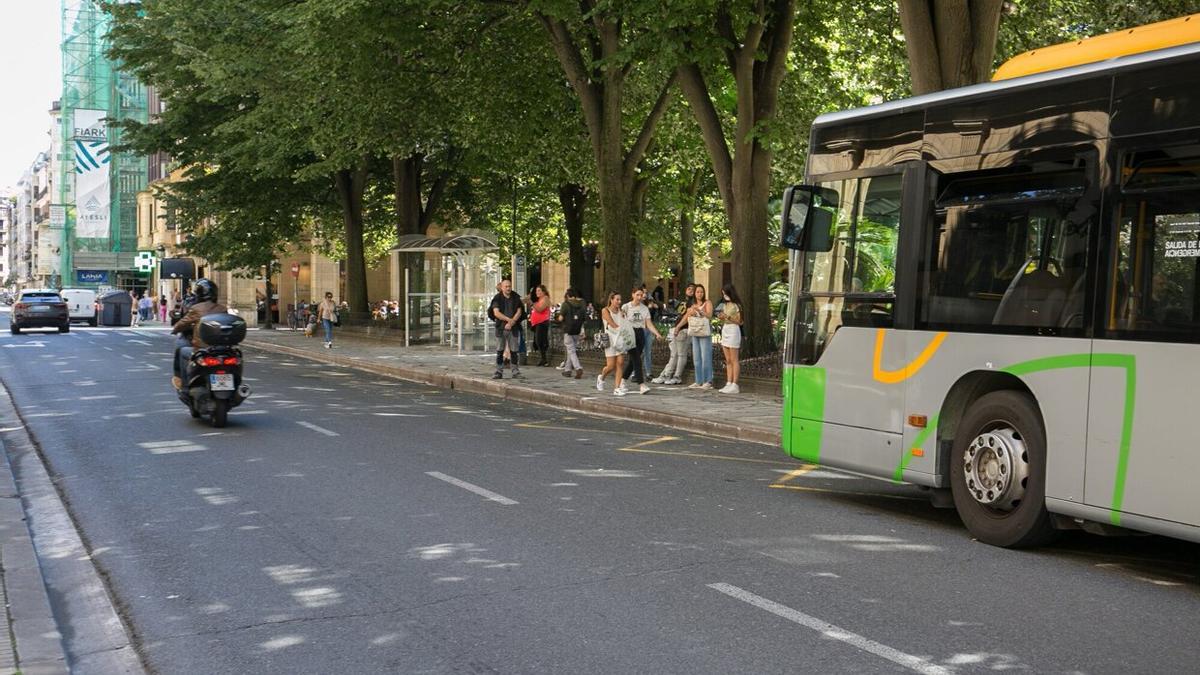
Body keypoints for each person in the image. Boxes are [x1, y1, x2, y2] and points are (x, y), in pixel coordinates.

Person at [170, 279, 227, 390]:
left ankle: (183, 384)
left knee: (181, 350)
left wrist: (175, 329)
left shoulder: (196, 308)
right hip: (222, 349)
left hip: (203, 349)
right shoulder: (222, 309)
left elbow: (181, 324)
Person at [621, 286, 662, 395]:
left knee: (633, 360)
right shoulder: (626, 307)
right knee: (637, 359)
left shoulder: (644, 309)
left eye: (641, 295)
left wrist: (657, 333)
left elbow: (648, 324)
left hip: (640, 333)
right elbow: (621, 320)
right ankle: (641, 384)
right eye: (637, 295)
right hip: (630, 333)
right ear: (633, 294)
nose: (640, 297)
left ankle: (622, 380)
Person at [490, 279, 524, 379]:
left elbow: (519, 311)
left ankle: (515, 371)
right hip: (501, 327)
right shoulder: (497, 298)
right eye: (506, 286)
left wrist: (512, 321)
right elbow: (496, 313)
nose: (508, 288)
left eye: (509, 286)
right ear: (502, 287)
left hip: (513, 328)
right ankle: (498, 371)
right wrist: (508, 320)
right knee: (500, 350)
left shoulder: (515, 297)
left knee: (514, 350)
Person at [597, 291, 627, 395]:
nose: (619, 301)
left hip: (620, 340)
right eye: (617, 299)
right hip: (610, 339)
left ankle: (617, 388)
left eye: (620, 299)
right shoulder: (605, 311)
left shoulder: (622, 311)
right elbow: (612, 323)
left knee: (620, 363)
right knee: (610, 366)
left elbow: (625, 323)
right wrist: (622, 328)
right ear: (611, 300)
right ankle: (601, 377)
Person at [685, 284, 714, 389]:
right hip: (695, 331)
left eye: (701, 292)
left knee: (705, 356)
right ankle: (698, 380)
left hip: (704, 332)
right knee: (696, 357)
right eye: (697, 292)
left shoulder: (707, 302)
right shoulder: (692, 303)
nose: (699, 294)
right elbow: (688, 315)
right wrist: (691, 311)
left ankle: (708, 381)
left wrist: (700, 310)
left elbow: (710, 315)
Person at [718, 283, 744, 394]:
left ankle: (735, 384)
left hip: (734, 330)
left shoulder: (737, 305)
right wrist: (721, 317)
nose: (724, 295)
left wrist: (728, 317)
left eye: (725, 293)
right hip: (726, 329)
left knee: (734, 359)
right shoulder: (725, 305)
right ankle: (728, 382)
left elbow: (740, 321)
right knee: (727, 360)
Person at [557, 288, 587, 379]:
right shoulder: (581, 304)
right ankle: (567, 370)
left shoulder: (566, 304)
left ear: (567, 296)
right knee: (571, 350)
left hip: (568, 330)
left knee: (571, 351)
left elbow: (561, 318)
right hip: (576, 330)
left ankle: (578, 368)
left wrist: (558, 317)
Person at [529, 284, 552, 366]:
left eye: (539, 291)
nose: (537, 292)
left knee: (540, 340)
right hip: (537, 323)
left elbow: (540, 309)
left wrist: (532, 303)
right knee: (538, 341)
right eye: (536, 291)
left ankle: (544, 359)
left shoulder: (545, 299)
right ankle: (542, 358)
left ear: (543, 291)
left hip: (542, 323)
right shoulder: (539, 299)